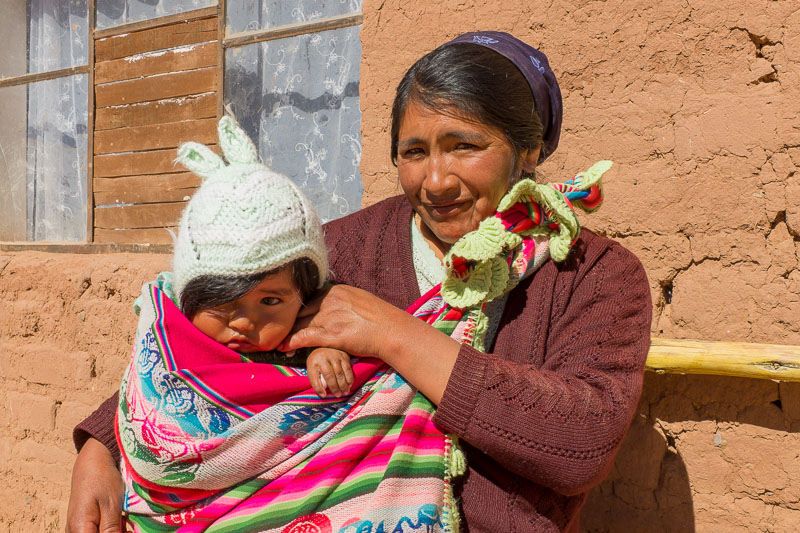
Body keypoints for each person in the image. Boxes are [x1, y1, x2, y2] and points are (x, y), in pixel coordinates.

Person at [67, 31, 652, 533]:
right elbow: (212, 341)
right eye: (414, 151)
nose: (436, 180)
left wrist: (391, 333)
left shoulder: (593, 276)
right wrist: (103, 445)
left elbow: (583, 443)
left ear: (526, 150)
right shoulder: (341, 247)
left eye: (465, 147)